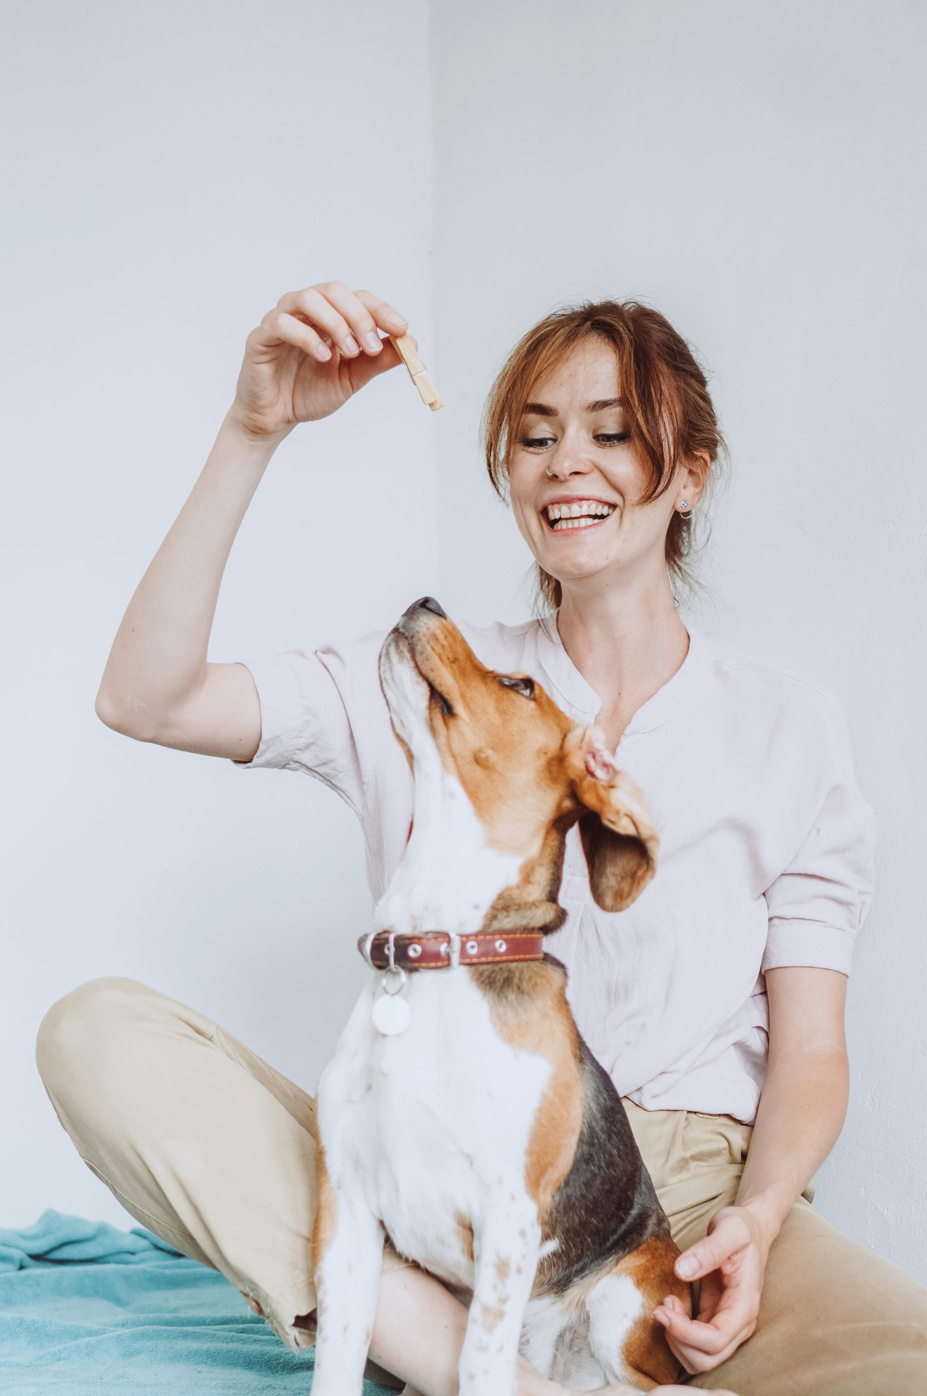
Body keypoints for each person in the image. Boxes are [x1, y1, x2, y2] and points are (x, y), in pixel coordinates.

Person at [35, 282, 927, 1396]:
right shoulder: (426, 685)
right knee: (98, 1034)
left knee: (907, 1362)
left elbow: (810, 1048)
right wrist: (252, 429)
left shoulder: (790, 726)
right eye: (534, 437)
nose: (566, 464)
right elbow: (145, 697)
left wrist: (752, 1218)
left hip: (689, 1209)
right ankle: (469, 1365)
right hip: (432, 1200)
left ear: (690, 472)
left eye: (612, 433)